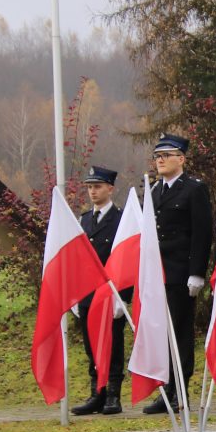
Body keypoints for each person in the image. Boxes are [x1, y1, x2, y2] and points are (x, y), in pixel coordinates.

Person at [143, 134, 213, 414]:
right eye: (157, 156)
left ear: (181, 159)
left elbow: (201, 233)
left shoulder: (194, 189)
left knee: (180, 333)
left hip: (180, 274)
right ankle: (166, 389)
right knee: (161, 334)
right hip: (157, 275)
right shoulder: (154, 191)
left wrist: (196, 273)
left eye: (166, 155)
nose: (159, 160)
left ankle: (180, 390)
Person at [71, 165, 127, 416]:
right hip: (87, 292)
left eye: (97, 187)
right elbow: (77, 259)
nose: (93, 192)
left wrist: (123, 298)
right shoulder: (84, 219)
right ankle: (97, 392)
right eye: (90, 187)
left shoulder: (121, 219)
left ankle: (113, 395)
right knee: (91, 346)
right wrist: (74, 294)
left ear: (110, 188)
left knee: (113, 344)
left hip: (111, 292)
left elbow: (126, 259)